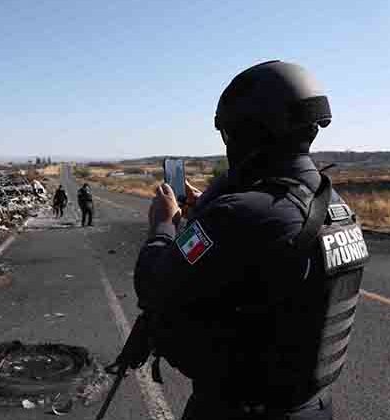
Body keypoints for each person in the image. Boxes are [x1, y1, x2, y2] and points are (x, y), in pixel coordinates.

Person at [108, 61, 369, 419]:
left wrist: (163, 225)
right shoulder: (334, 206)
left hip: (236, 409)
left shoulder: (238, 215)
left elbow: (153, 282)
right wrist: (210, 207)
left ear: (248, 131)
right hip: (313, 407)